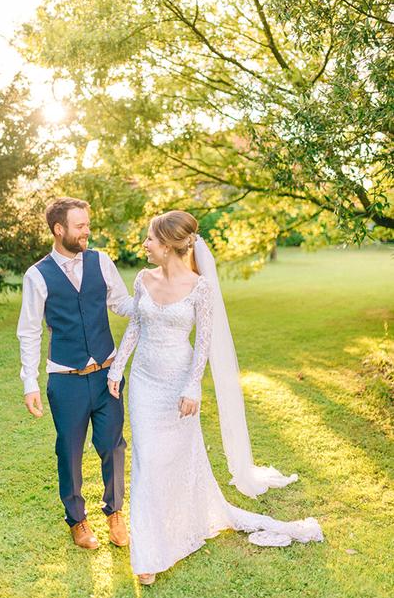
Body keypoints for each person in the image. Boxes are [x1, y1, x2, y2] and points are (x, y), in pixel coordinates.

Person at [107, 210, 323, 585]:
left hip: (178, 384)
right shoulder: (143, 278)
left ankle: (182, 524)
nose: (144, 245)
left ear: (171, 245)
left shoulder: (200, 287)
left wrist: (193, 386)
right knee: (146, 460)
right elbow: (136, 327)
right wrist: (117, 368)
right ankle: (149, 554)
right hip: (143, 382)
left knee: (175, 460)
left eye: (150, 239)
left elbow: (203, 343)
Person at [17, 197, 133, 550]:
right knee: (69, 450)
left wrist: (155, 296)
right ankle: (78, 521)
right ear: (59, 229)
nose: (87, 231)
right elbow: (29, 330)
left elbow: (121, 303)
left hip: (106, 375)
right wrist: (29, 383)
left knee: (113, 447)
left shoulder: (102, 261)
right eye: (80, 225)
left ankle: (114, 513)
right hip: (65, 379)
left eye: (87, 224)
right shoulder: (37, 275)